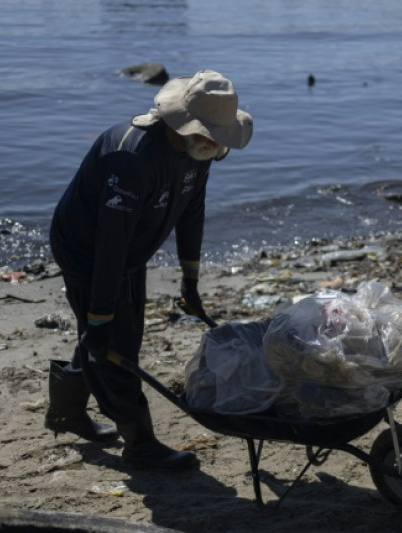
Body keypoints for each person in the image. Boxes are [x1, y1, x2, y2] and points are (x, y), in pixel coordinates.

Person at [45, 69, 253, 470]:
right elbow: (110, 245)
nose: (215, 143)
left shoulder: (200, 151)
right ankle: (139, 443)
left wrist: (190, 281)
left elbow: (192, 212)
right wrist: (100, 313)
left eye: (219, 136)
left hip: (132, 248)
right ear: (182, 122)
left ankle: (66, 410)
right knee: (114, 343)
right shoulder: (133, 158)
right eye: (208, 134)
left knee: (109, 335)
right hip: (88, 250)